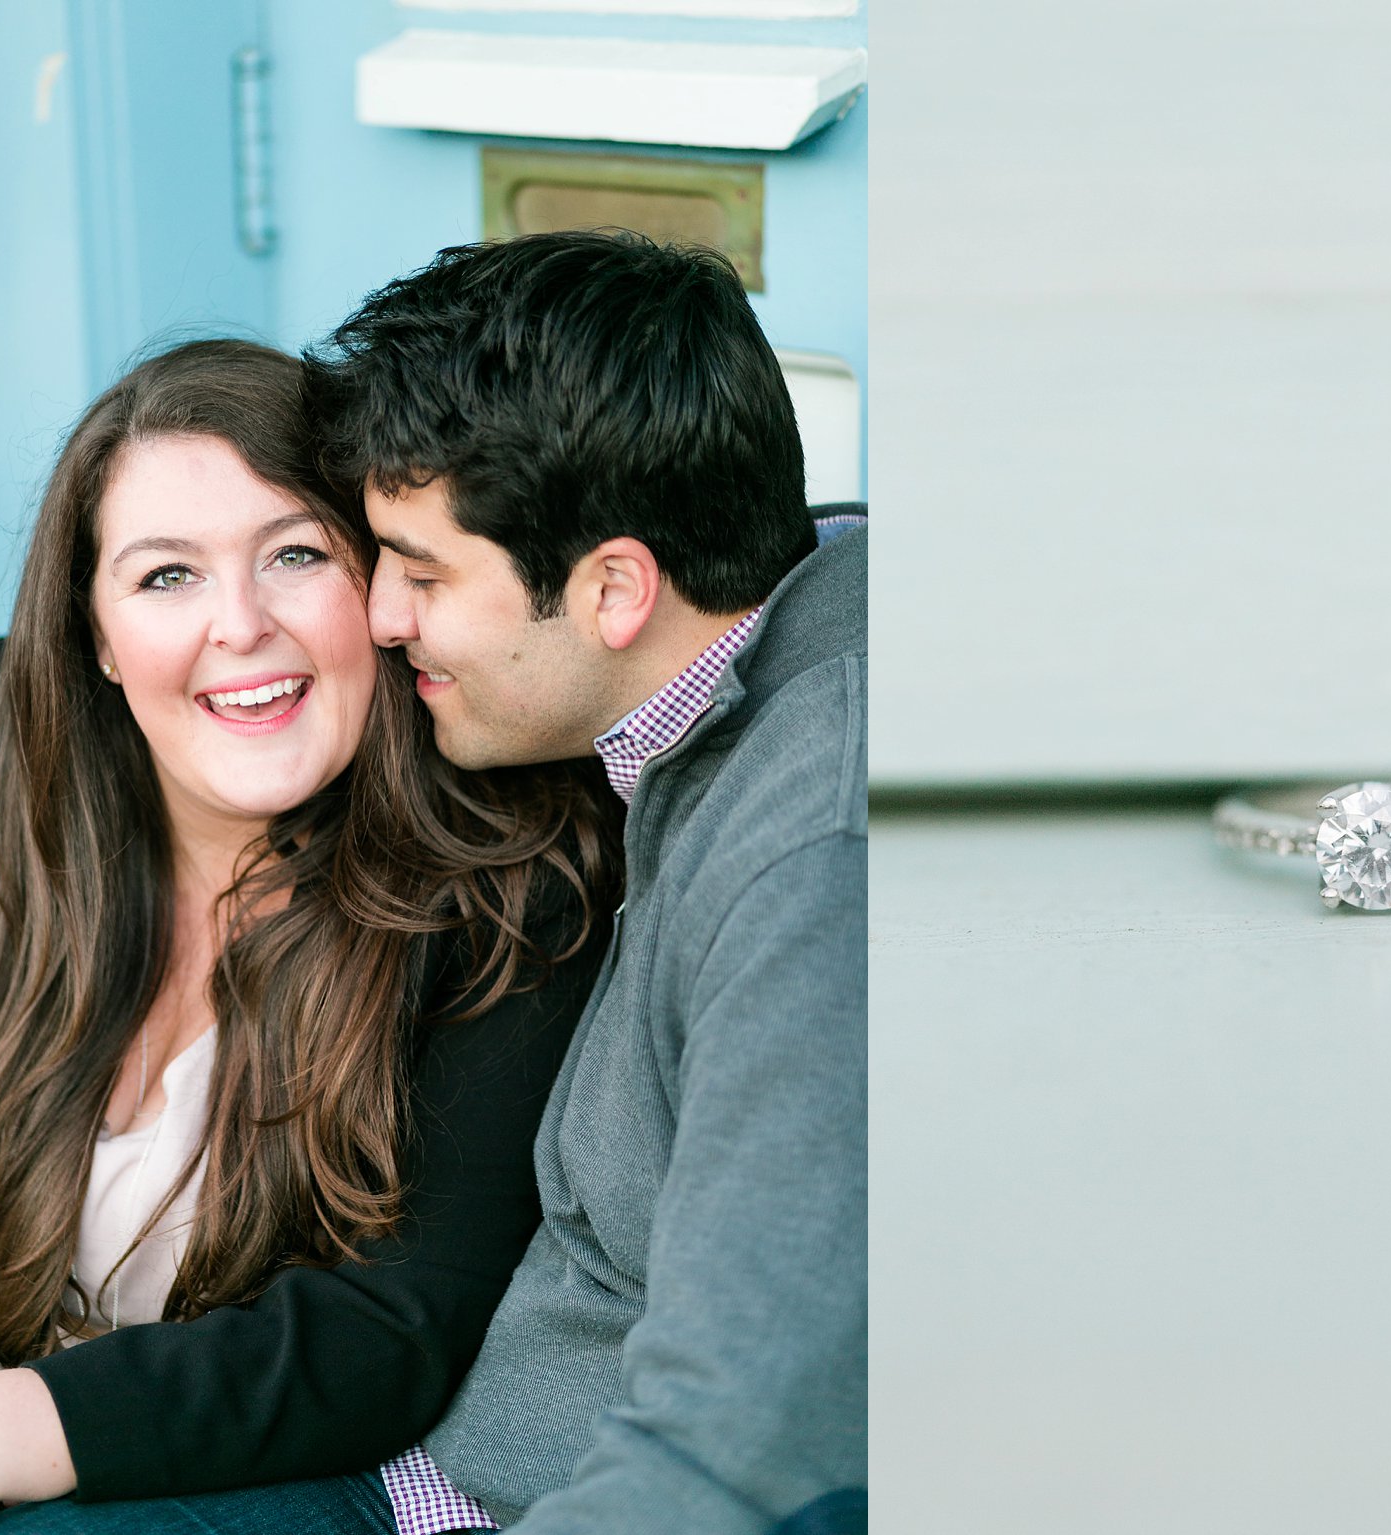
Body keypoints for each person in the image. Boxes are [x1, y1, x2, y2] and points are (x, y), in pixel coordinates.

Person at [0, 339, 621, 1532]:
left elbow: (398, 1324)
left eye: (296, 555)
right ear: (96, 633)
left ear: (383, 589)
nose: (240, 624)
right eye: (165, 577)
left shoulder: (512, 875)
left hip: (168, 1484)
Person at [310, 230, 868, 1535]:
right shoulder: (712, 700)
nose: (382, 615)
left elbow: (739, 1439)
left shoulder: (813, 868)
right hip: (447, 1458)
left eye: (426, 570)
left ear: (616, 587)